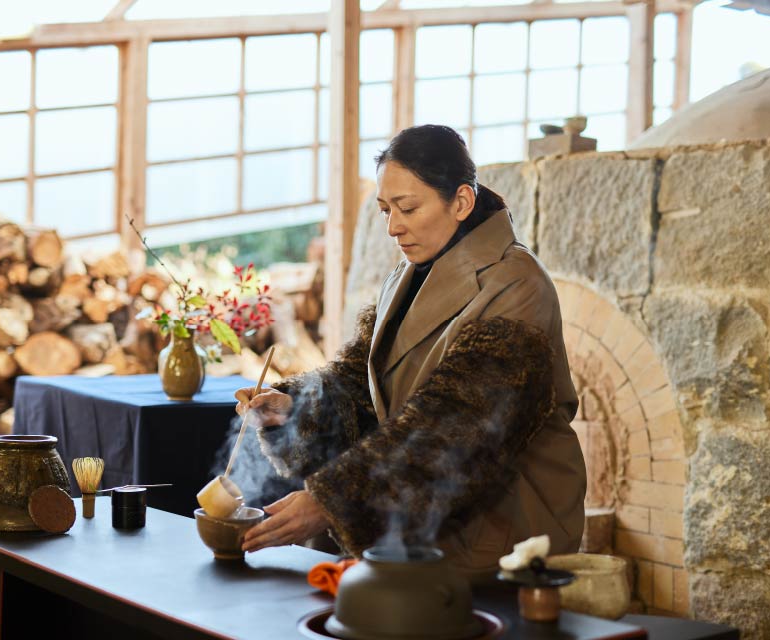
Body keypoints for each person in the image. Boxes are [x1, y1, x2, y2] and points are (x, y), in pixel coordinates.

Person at [236, 124, 586, 580]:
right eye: (386, 209)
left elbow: (458, 428)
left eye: (408, 208)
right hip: (425, 524)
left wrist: (331, 501)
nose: (393, 227)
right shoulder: (407, 274)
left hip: (503, 530)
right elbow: (361, 380)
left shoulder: (517, 284)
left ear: (461, 202)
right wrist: (294, 407)